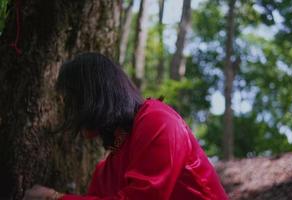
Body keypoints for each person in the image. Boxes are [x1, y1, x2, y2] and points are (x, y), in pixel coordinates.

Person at [23, 53, 228, 200]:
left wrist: (53, 198)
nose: (69, 111)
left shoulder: (158, 121)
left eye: (71, 101)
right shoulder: (106, 170)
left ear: (93, 97)